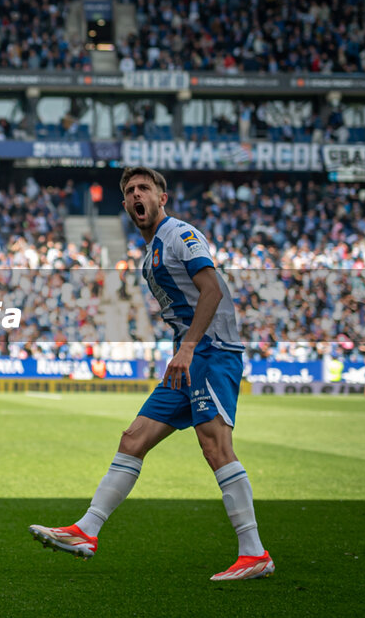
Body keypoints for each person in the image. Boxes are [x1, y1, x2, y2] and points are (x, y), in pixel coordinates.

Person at [30, 166, 274, 582]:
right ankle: (87, 531)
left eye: (144, 188)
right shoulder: (150, 254)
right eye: (130, 191)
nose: (136, 194)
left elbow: (213, 290)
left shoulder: (180, 234)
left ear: (163, 197)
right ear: (125, 204)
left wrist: (189, 347)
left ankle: (254, 553)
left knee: (215, 447)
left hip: (212, 353)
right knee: (133, 439)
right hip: (189, 358)